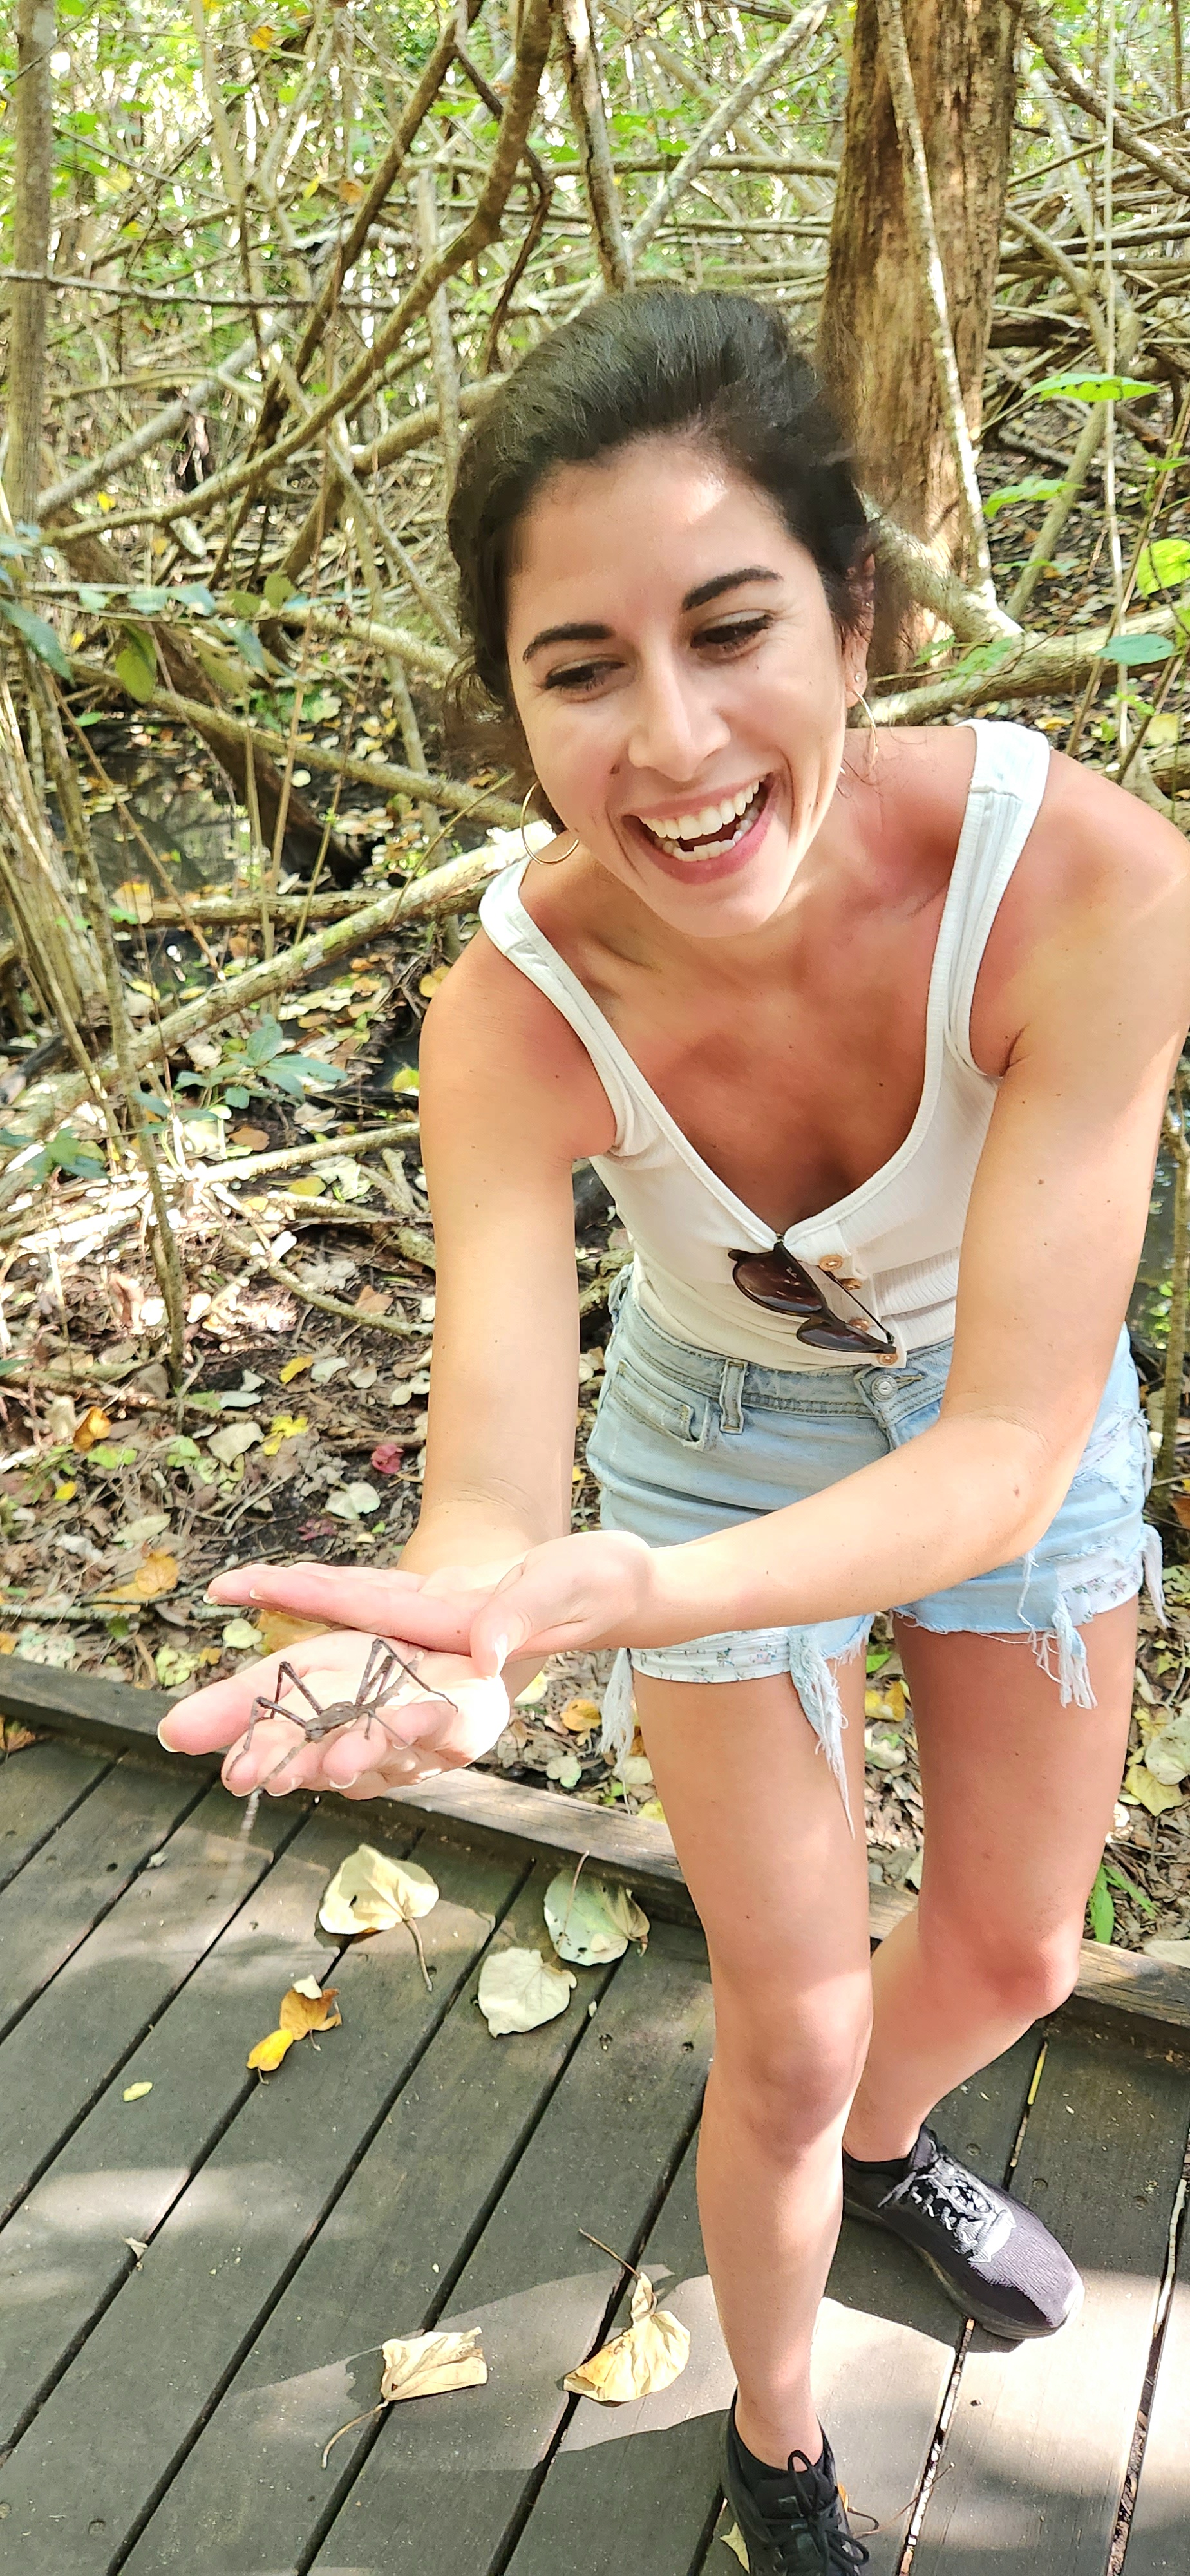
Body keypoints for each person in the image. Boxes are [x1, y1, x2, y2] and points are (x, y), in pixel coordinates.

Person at [163, 290, 1190, 2573]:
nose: (678, 738)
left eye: (734, 631)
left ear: (862, 618)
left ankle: (895, 2150)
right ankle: (781, 2441)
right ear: (513, 706)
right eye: (584, 668)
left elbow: (1010, 1453)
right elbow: (501, 1476)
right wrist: (464, 1612)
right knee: (791, 2020)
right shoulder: (508, 1020)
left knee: (1020, 1953)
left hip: (993, 1423)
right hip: (715, 1438)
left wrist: (626, 1601)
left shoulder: (1087, 884)